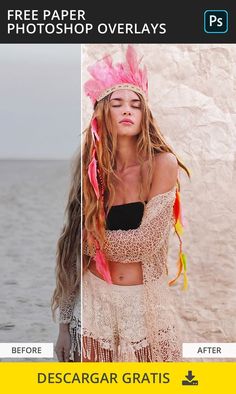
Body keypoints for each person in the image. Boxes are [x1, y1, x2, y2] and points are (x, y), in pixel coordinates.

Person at [81, 45, 190, 362]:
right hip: (95, 299)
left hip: (143, 302)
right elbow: (68, 247)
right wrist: (65, 322)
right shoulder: (92, 173)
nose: (127, 110)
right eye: (117, 103)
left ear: (145, 115)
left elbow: (145, 243)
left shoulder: (161, 164)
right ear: (104, 112)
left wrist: (92, 241)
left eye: (135, 105)